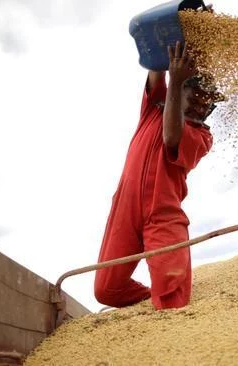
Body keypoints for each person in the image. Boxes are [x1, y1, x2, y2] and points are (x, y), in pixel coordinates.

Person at [93, 39, 225, 310]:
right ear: (183, 89)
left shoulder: (203, 136)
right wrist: (175, 35)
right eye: (197, 96)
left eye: (208, 102)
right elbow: (156, 68)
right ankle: (152, 299)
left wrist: (176, 82)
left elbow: (170, 137)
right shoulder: (155, 107)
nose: (202, 105)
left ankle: (165, 305)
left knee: (173, 302)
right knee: (106, 290)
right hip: (124, 209)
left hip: (163, 215)